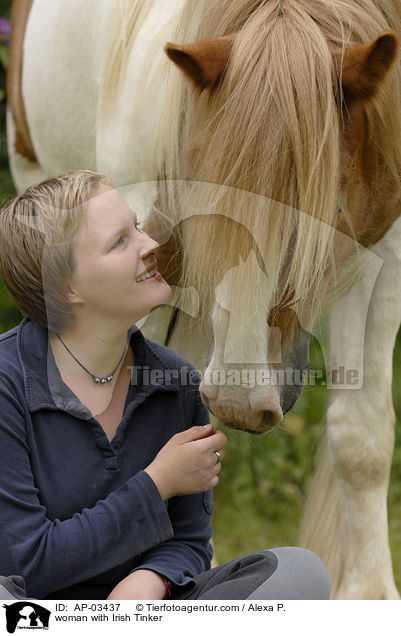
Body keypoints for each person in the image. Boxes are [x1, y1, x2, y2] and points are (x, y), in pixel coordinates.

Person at [0, 171, 330, 600]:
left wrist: (150, 580)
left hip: (146, 616)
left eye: (136, 226)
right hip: (33, 612)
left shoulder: (178, 385)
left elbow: (190, 542)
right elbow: (26, 563)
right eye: (120, 241)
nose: (151, 244)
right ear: (66, 287)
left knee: (301, 573)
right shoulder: (8, 381)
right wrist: (158, 483)